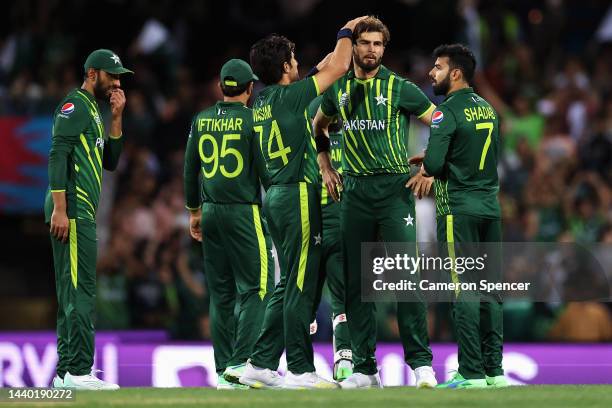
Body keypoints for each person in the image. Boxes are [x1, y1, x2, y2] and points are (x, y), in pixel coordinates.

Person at [239, 16, 367, 390]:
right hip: (297, 194)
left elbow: (324, 68)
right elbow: (341, 65)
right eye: (293, 59)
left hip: (273, 196)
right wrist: (345, 30)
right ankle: (299, 368)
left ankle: (260, 364)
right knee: (300, 286)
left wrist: (323, 62)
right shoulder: (295, 96)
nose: (297, 63)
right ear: (284, 67)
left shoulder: (263, 100)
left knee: (285, 285)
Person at [313, 16, 437, 389]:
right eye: (365, 43)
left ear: (385, 49)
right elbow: (318, 127)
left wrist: (430, 167)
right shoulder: (338, 91)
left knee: (407, 278)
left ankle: (421, 366)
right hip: (354, 192)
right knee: (356, 284)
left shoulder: (399, 88)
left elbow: (442, 120)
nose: (371, 50)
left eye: (378, 44)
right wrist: (325, 166)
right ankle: (366, 370)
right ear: (353, 47)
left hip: (394, 191)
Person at [183, 59, 275, 390]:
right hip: (243, 211)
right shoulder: (253, 120)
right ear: (249, 88)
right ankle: (240, 364)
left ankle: (223, 371)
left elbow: (189, 168)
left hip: (209, 211)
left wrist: (194, 211)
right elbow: (266, 171)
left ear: (222, 87)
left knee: (220, 294)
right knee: (257, 288)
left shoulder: (201, 119)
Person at [418, 43, 506, 388]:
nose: (431, 73)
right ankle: (494, 372)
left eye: (437, 67)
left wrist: (427, 162)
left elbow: (437, 165)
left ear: (455, 73)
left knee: (464, 290)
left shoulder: (445, 111)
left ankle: (470, 372)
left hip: (457, 209)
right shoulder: (487, 109)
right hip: (489, 207)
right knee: (491, 291)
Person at [45, 49, 132, 390]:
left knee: (72, 290)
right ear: (93, 73)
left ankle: (67, 371)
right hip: (74, 210)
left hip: (80, 212)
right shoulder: (75, 106)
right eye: (113, 75)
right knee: (81, 290)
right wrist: (60, 209)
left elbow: (110, 161)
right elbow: (57, 155)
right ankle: (79, 371)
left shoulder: (95, 111)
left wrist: (117, 117)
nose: (118, 81)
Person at [308, 95, 353, 381]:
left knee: (300, 299)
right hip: (339, 223)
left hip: (310, 224)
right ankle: (344, 360)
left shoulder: (306, 144)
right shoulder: (351, 143)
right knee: (342, 299)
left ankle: (297, 366)